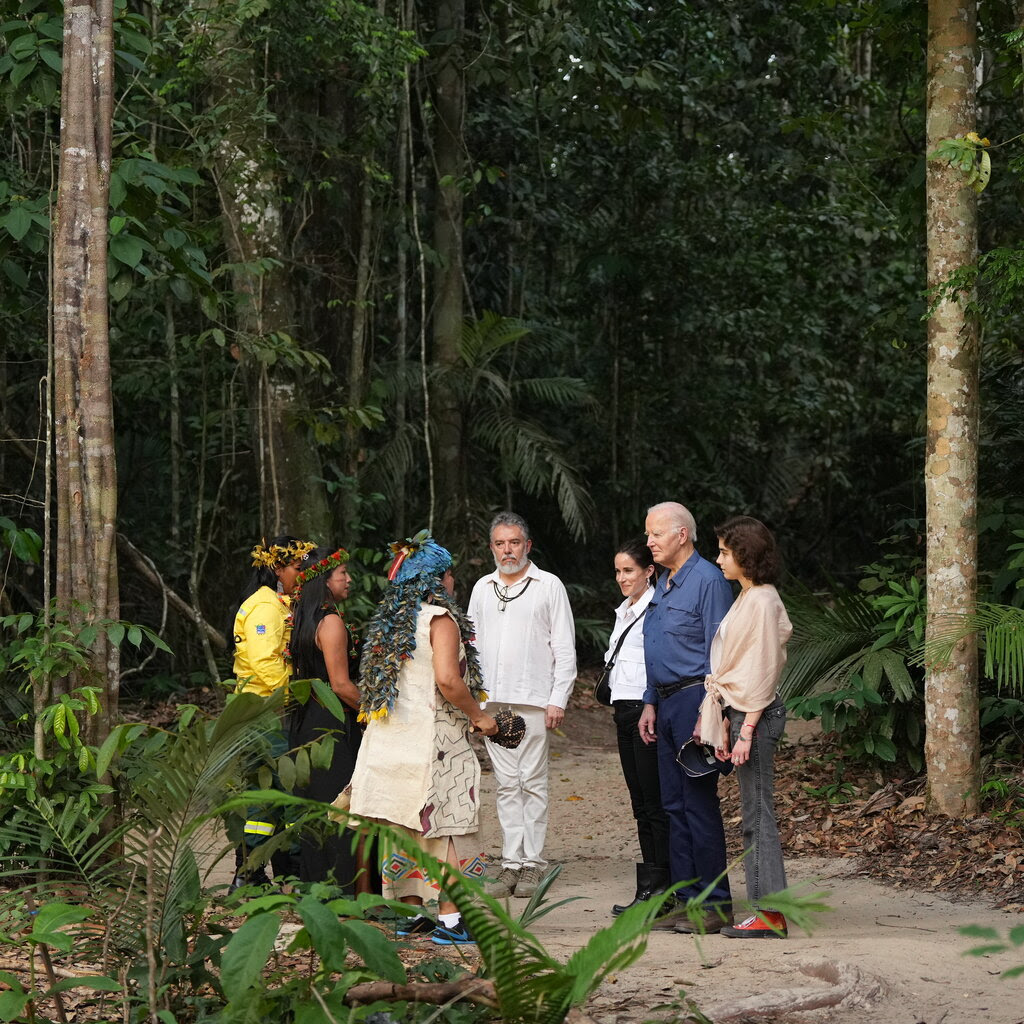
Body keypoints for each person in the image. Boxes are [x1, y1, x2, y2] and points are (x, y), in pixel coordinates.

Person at [347, 531, 498, 945]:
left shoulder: (389, 625)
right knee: (447, 825)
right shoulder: (440, 619)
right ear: (438, 579)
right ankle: (452, 920)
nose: (453, 583)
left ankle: (410, 913)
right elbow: (449, 680)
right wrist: (478, 715)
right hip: (435, 741)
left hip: (390, 738)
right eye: (449, 575)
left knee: (401, 823)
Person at [468, 512, 577, 900]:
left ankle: (533, 864)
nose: (507, 550)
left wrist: (557, 699)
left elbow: (564, 647)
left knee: (532, 783)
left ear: (527, 545)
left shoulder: (548, 586)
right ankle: (511, 863)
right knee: (506, 785)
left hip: (532, 699)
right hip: (493, 702)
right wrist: (474, 701)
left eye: (514, 542)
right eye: (500, 543)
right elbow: (472, 646)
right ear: (492, 547)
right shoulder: (483, 587)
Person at [637, 502, 734, 933]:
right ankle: (686, 899)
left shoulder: (708, 581)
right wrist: (649, 701)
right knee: (672, 805)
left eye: (655, 534)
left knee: (698, 804)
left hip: (696, 698)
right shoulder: (663, 582)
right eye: (647, 534)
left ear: (682, 535)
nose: (649, 542)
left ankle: (716, 903)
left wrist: (711, 710)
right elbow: (655, 646)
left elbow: (722, 652)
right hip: (665, 701)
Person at [697, 516, 793, 937]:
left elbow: (763, 669)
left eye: (724, 551)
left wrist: (747, 729)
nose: (718, 559)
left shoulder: (762, 599)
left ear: (745, 555)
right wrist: (725, 720)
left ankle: (770, 914)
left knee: (758, 814)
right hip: (740, 712)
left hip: (756, 714)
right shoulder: (749, 595)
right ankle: (767, 910)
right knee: (753, 812)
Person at [230, 535, 316, 888]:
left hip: (266, 709)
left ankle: (255, 869)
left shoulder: (277, 603)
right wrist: (297, 696)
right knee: (280, 790)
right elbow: (266, 663)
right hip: (267, 711)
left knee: (268, 794)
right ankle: (272, 870)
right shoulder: (265, 608)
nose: (304, 574)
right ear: (277, 568)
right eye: (298, 567)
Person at [287, 546, 364, 891]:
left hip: (306, 721)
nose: (348, 579)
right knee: (340, 808)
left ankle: (316, 889)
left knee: (317, 808)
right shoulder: (331, 622)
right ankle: (343, 893)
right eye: (342, 574)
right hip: (331, 724)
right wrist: (376, 710)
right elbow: (342, 685)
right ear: (324, 580)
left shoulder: (305, 617)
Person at [604, 539, 670, 916]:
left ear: (649, 571)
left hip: (646, 710)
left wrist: (650, 704)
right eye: (618, 571)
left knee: (654, 802)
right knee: (640, 804)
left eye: (629, 570)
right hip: (622, 711)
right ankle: (649, 888)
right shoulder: (624, 611)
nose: (622, 578)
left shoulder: (656, 609)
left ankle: (662, 891)